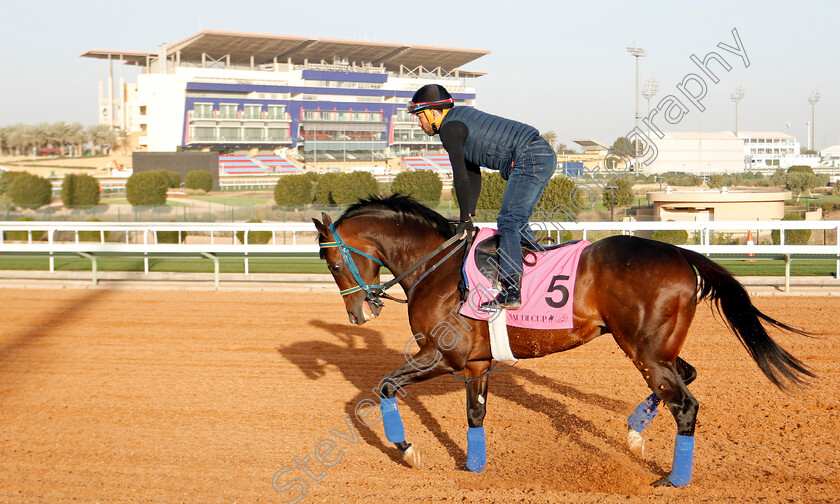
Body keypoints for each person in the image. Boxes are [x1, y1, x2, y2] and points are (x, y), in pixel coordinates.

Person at [408, 84, 556, 310]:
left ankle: (511, 290)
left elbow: (460, 176)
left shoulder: (449, 129)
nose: (418, 123)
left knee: (509, 222)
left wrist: (465, 220)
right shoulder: (458, 121)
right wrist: (468, 215)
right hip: (539, 153)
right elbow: (472, 173)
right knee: (517, 224)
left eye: (420, 117)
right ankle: (540, 273)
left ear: (433, 113)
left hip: (530, 155)